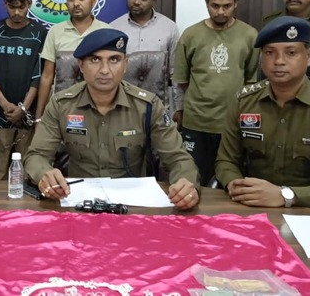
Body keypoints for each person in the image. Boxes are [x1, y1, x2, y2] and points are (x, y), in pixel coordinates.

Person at [24, 29, 200, 209]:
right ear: (81, 65)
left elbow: (178, 159)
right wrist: (44, 175)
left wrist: (186, 184)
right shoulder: (61, 105)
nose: (105, 70)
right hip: (79, 205)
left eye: (114, 60)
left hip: (133, 207)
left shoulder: (148, 106)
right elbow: (36, 156)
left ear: (125, 64)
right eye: (95, 60)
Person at [215, 16, 310, 213]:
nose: (279, 61)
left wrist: (285, 195)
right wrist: (235, 183)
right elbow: (226, 161)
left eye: (291, 53)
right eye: (269, 53)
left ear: (308, 57)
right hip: (253, 207)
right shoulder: (244, 101)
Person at [172, 0, 259, 183]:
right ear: (206, 3)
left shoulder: (250, 35)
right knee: (193, 179)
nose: (221, 12)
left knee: (229, 180)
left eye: (227, 6)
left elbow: (252, 82)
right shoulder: (191, 35)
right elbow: (182, 80)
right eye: (215, 6)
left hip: (232, 123)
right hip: (196, 121)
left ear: (236, 3)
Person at [0, 0, 47, 181]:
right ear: (5, 3)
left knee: (27, 168)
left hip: (28, 112)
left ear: (29, 4)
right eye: (12, 7)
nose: (17, 13)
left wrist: (23, 107)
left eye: (21, 7)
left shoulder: (40, 33)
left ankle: (26, 201)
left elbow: (39, 75)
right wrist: (5, 104)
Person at [34, 0, 109, 121]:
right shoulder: (55, 32)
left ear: (93, 0)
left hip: (99, 109)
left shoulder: (107, 32)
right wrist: (39, 118)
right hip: (62, 108)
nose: (76, 4)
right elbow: (47, 76)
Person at [110, 0, 181, 111]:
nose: (136, 2)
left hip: (157, 105)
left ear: (154, 0)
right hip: (122, 105)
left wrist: (179, 108)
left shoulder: (169, 28)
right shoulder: (114, 28)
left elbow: (175, 72)